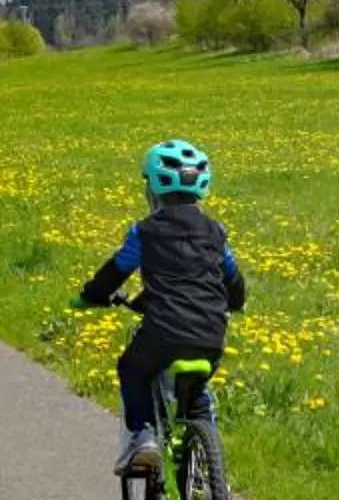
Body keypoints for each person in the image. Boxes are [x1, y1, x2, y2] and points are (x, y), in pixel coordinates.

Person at [76, 138, 245, 475]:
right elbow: (235, 281)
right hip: (212, 333)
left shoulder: (145, 231)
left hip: (162, 332)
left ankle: (142, 437)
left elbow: (117, 270)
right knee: (196, 398)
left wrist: (92, 295)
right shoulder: (216, 232)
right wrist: (234, 303)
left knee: (133, 368)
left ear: (152, 188)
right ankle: (214, 486)